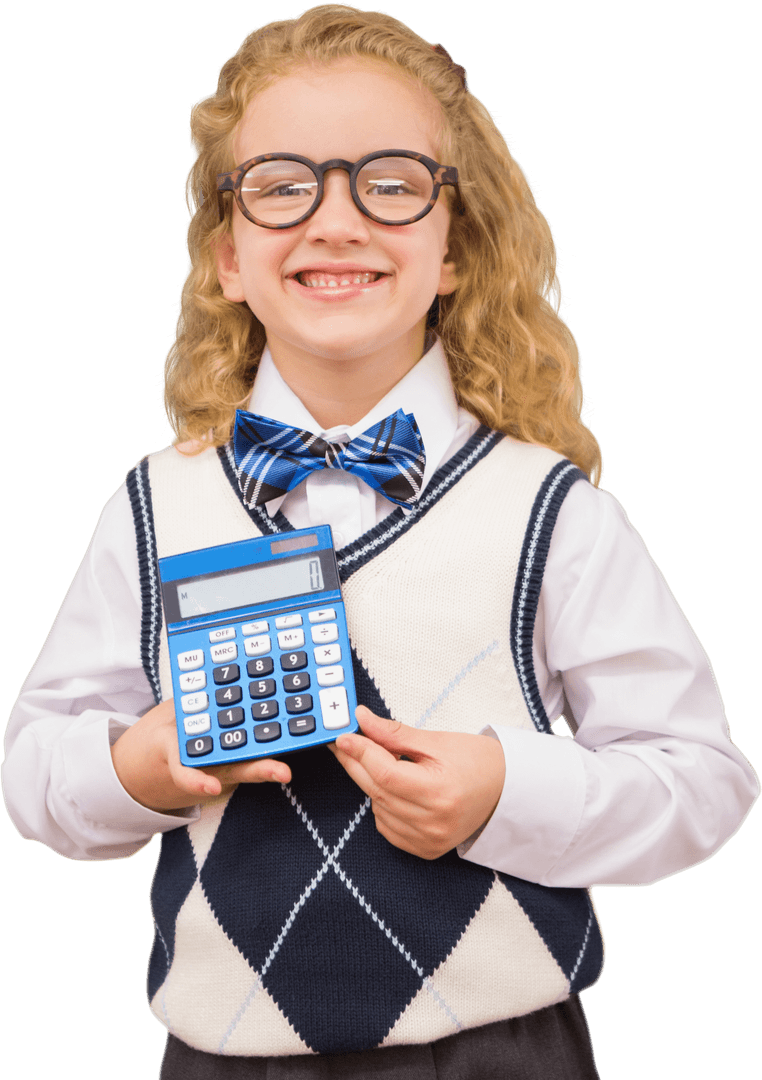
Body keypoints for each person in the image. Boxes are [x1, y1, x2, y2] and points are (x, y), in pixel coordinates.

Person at [2, 4, 758, 1078]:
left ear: (454, 248)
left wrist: (505, 793)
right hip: (221, 1057)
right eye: (280, 186)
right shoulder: (150, 506)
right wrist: (141, 765)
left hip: (501, 1054)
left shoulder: (554, 510)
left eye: (392, 184)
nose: (336, 221)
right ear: (227, 255)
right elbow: (35, 770)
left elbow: (701, 780)